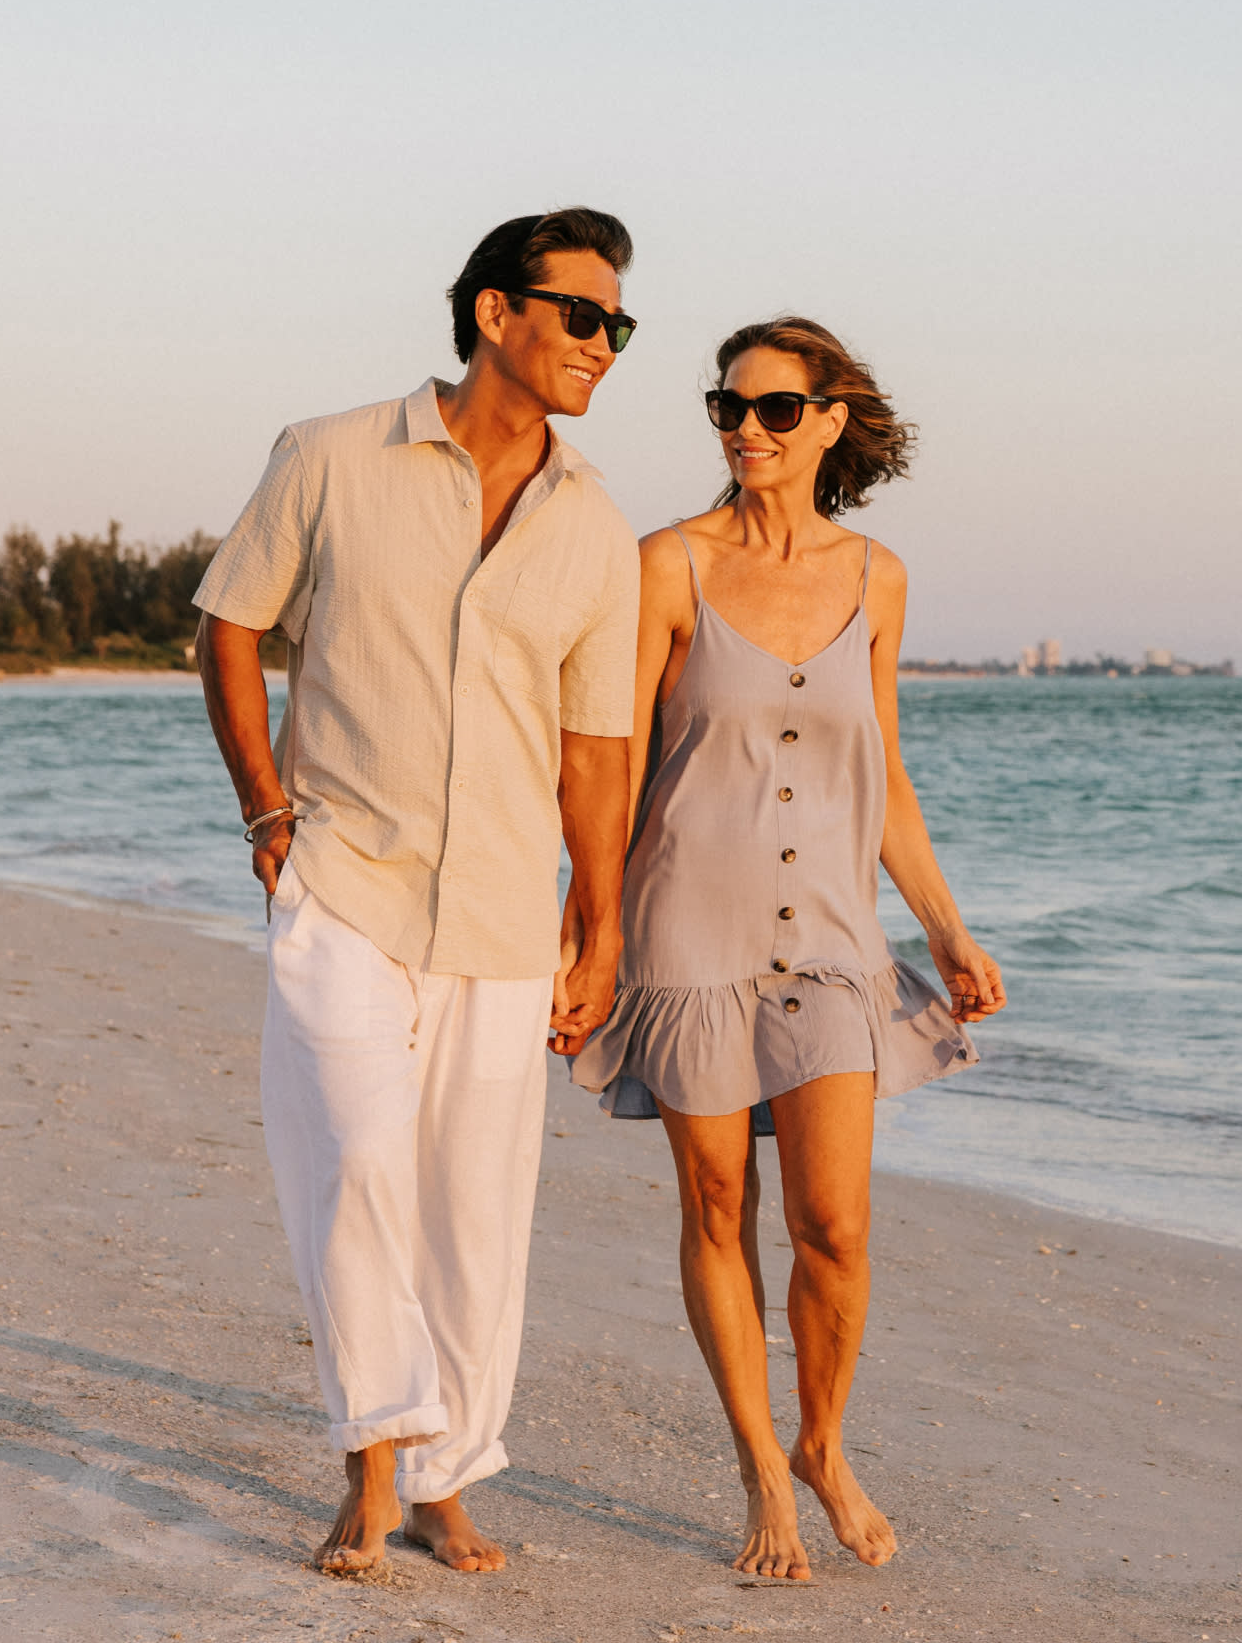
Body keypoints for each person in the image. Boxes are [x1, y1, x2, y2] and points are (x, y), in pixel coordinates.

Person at [192, 208, 642, 1577]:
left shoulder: (595, 525)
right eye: (583, 317)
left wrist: (602, 921)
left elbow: (596, 748)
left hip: (505, 914)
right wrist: (266, 810)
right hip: (346, 879)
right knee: (357, 1166)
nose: (603, 347)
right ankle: (370, 1460)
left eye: (621, 327)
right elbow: (230, 623)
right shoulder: (330, 455)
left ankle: (446, 1479)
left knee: (474, 1207)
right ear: (498, 313)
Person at [572, 315, 1007, 1581]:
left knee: (836, 1225)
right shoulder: (668, 564)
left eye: (772, 409)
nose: (745, 430)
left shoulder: (878, 576)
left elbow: (886, 777)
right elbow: (614, 765)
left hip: (828, 935)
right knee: (718, 1205)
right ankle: (763, 1467)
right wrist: (583, 930)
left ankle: (823, 1441)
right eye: (726, 407)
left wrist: (948, 926)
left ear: (828, 421)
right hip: (684, 928)